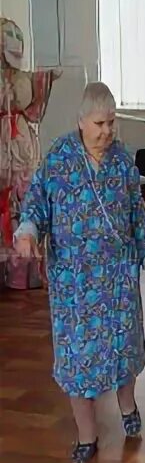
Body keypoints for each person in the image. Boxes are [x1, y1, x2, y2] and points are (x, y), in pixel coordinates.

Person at [12, 82, 145, 463]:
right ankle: (87, 437)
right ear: (81, 121)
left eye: (112, 123)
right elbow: (35, 204)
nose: (107, 131)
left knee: (124, 349)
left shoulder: (121, 161)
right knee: (76, 361)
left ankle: (128, 405)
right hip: (74, 286)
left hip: (118, 281)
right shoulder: (59, 158)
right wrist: (29, 232)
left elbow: (137, 214)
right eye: (100, 123)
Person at [1, 17, 60, 290]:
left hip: (21, 140)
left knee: (26, 199)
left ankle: (24, 272)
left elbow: (35, 92)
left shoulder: (23, 78)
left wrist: (49, 77)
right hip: (5, 141)